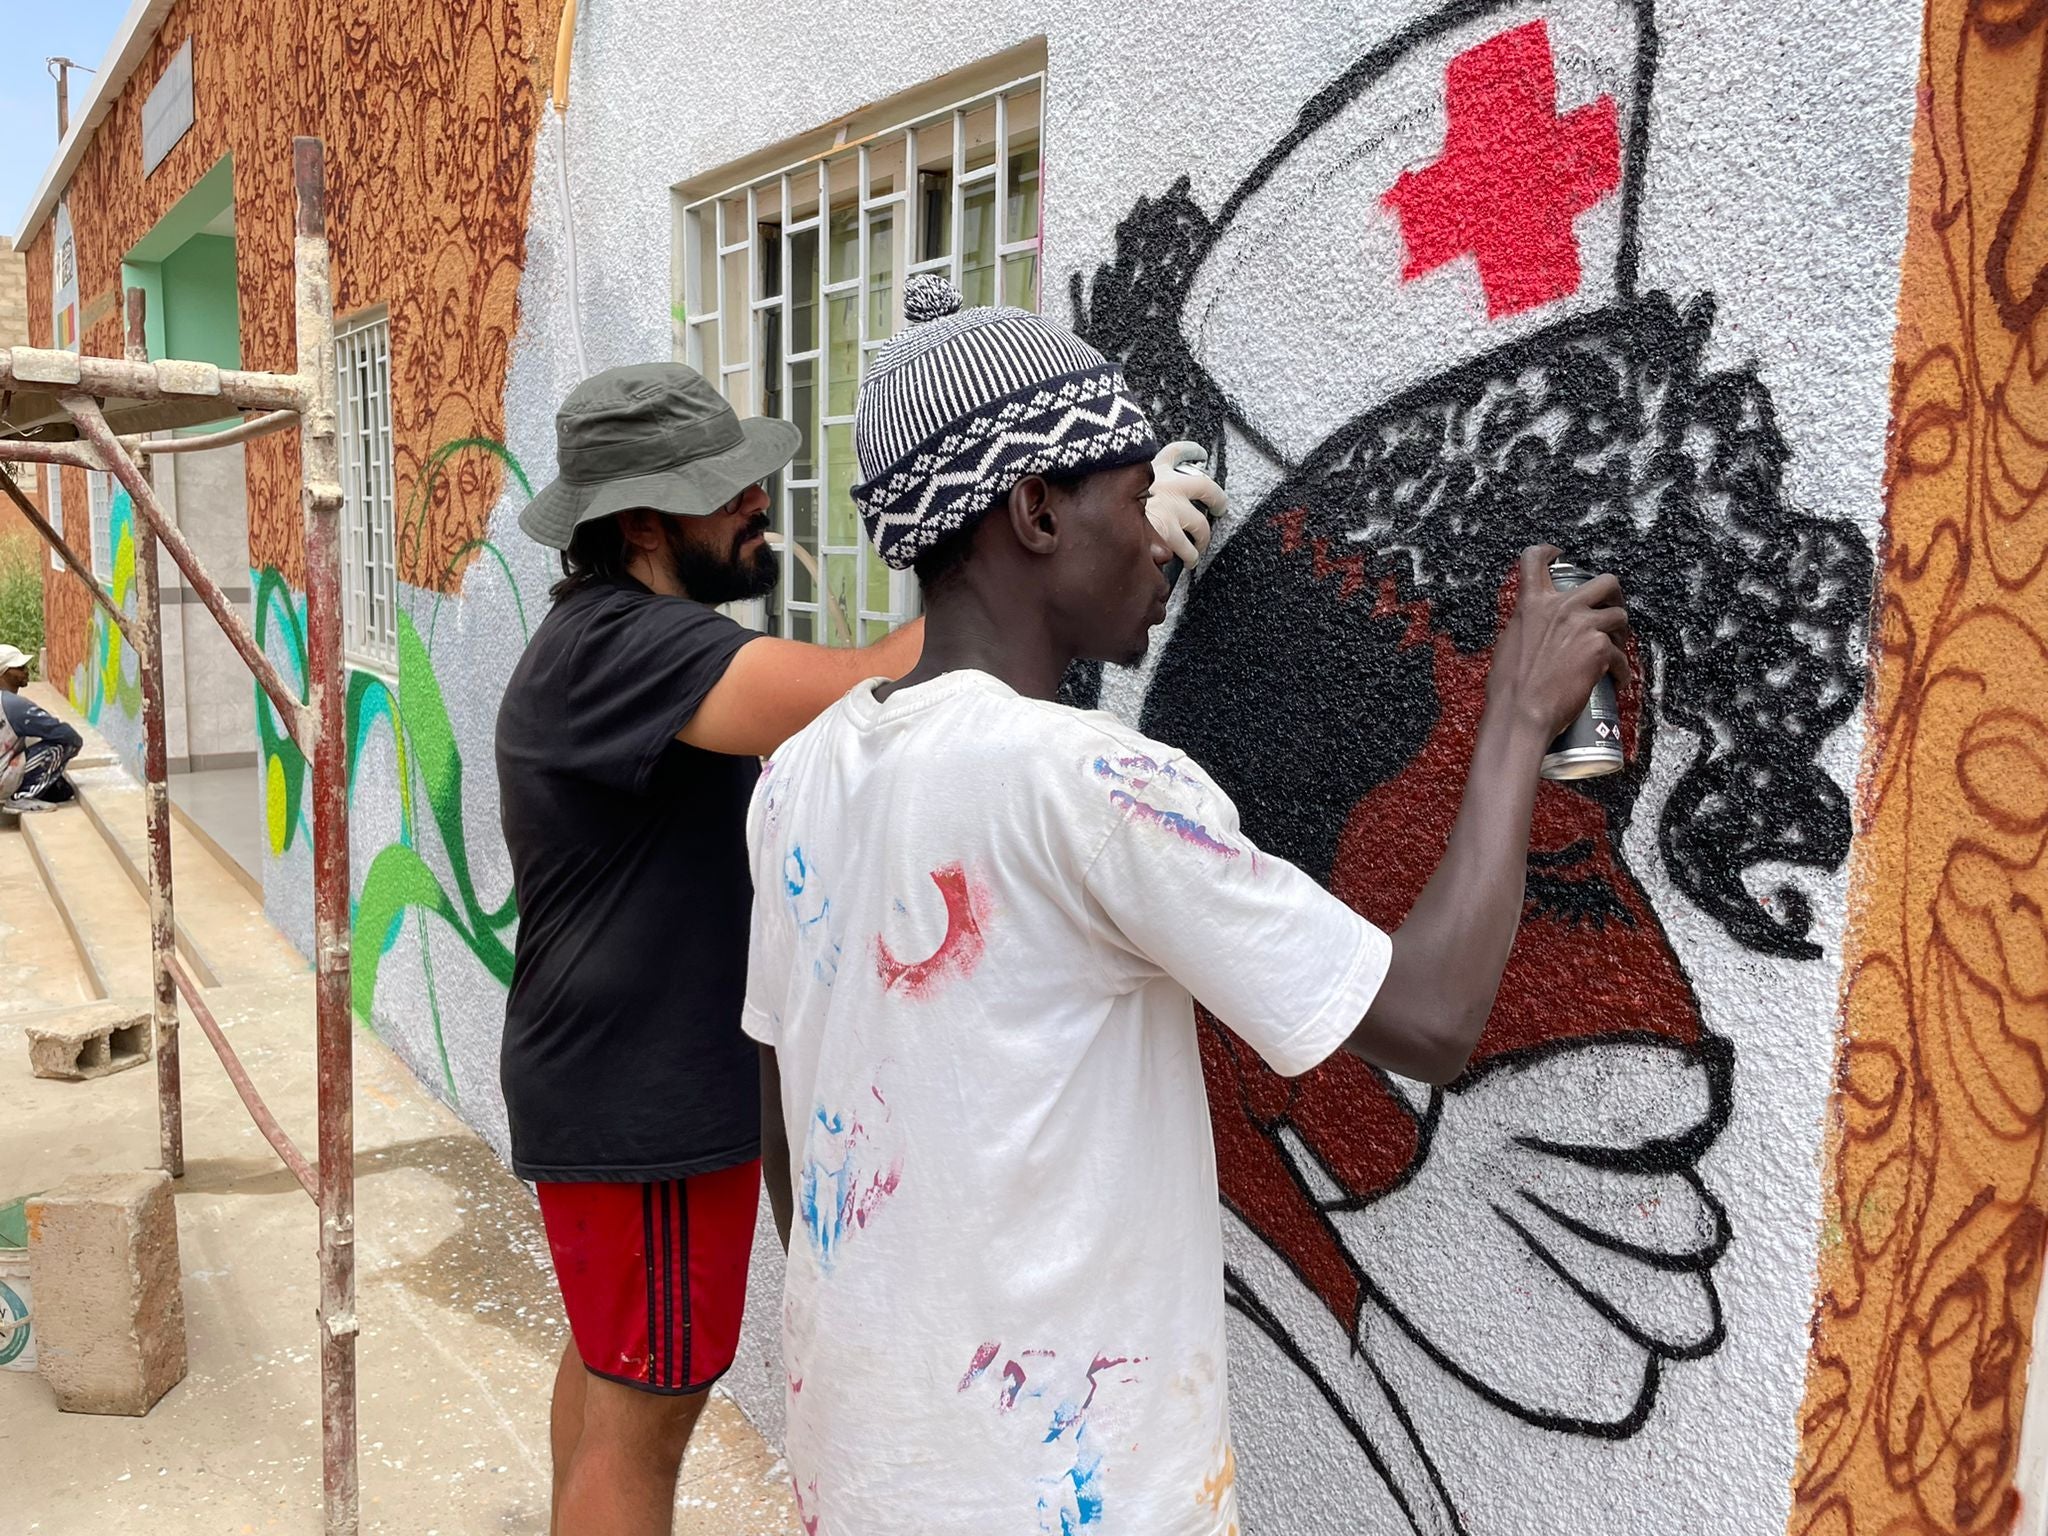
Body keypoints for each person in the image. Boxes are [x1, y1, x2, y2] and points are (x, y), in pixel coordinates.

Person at [741, 275, 1632, 1534]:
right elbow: (1430, 1017)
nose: (1158, 535)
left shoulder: (798, 776)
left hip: (864, 1467)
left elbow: (789, 1133)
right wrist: (1515, 719)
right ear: (1033, 513)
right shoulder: (1094, 787)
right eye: (1129, 496)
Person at [496, 360, 1221, 1535]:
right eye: (720, 488)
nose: (755, 501)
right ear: (640, 525)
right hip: (642, 1102)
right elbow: (855, 685)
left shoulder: (608, 636)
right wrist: (1076, 564)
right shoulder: (628, 646)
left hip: (607, 1083)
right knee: (646, 1410)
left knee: (615, 1368)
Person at [0, 644, 82, 811]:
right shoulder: (14, 705)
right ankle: (21, 798)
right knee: (63, 744)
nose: (26, 671)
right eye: (19, 668)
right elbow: (68, 735)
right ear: (3, 673)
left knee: (61, 790)